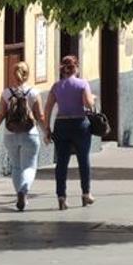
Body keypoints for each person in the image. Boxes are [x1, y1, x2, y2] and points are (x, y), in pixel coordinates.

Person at [0, 61, 46, 211]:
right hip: (30, 134)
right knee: (29, 166)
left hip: (10, 134)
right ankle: (23, 191)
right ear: (27, 75)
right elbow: (40, 116)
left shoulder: (6, 93)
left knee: (16, 166)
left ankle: (20, 194)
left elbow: (0, 114)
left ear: (13, 75)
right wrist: (46, 132)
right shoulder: (34, 93)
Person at [44, 55, 96, 209]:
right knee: (83, 159)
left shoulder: (56, 86)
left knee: (61, 162)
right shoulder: (82, 84)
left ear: (63, 69)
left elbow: (48, 108)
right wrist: (93, 98)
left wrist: (47, 128)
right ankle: (86, 193)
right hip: (80, 124)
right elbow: (88, 104)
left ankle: (61, 197)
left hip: (61, 125)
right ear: (76, 68)